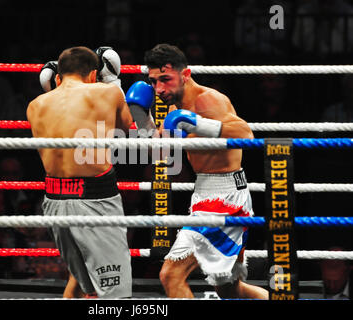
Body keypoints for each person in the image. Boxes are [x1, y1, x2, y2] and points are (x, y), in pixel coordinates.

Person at [143, 43, 269, 299]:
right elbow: (160, 151)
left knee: (170, 275)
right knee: (229, 288)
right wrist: (139, 114)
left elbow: (246, 134)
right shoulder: (173, 109)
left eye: (165, 80)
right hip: (205, 195)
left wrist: (200, 124)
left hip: (224, 199)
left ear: (185, 74)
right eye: (154, 82)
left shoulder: (207, 99)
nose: (159, 89)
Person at [27, 46, 153, 298]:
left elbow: (67, 120)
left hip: (53, 202)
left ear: (58, 75)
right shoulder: (106, 93)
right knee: (115, 297)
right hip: (95, 201)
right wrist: (113, 82)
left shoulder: (35, 105)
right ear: (94, 73)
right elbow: (131, 133)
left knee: (91, 290)